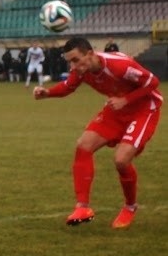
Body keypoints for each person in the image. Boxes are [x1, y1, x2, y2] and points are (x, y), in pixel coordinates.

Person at [33, 37, 162, 229]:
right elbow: (68, 87)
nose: (73, 65)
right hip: (116, 109)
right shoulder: (81, 70)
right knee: (83, 145)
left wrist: (126, 100)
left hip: (143, 110)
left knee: (121, 160)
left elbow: (153, 82)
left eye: (75, 60)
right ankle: (82, 207)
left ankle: (130, 206)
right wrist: (47, 93)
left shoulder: (119, 66)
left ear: (90, 54)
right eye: (69, 61)